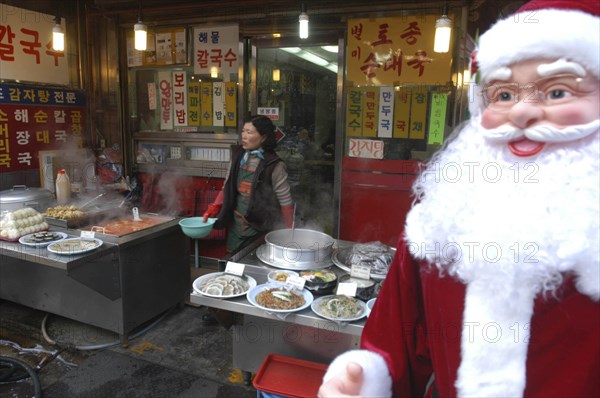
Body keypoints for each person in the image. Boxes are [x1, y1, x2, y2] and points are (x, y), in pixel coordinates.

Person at [319, 0, 600, 397]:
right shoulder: (443, 213)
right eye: (502, 94)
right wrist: (368, 378)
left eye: (557, 91)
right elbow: (397, 334)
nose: (522, 112)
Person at [203, 115, 294, 252]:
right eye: (243, 131)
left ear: (263, 137)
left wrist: (290, 232)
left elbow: (285, 202)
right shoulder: (238, 156)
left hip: (260, 227)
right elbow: (227, 186)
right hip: (236, 224)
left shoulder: (274, 165)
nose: (244, 136)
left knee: (254, 262)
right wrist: (215, 206)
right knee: (233, 261)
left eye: (249, 132)